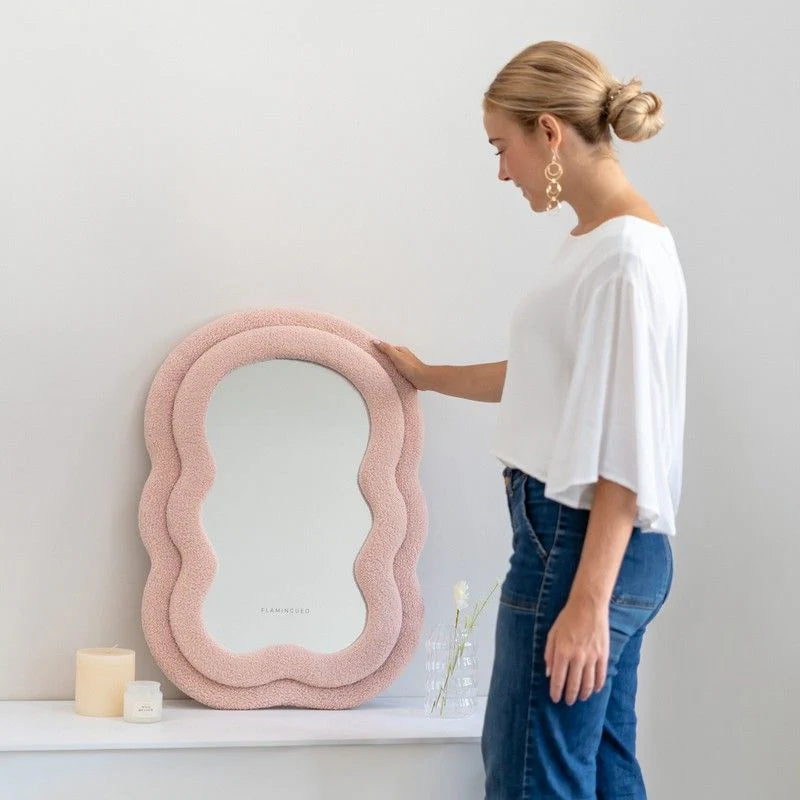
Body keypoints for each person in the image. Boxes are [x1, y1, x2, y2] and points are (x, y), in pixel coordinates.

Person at [373, 39, 687, 800]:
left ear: (548, 131)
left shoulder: (622, 257)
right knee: (601, 774)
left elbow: (628, 440)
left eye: (500, 147)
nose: (502, 172)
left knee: (531, 779)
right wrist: (426, 376)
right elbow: (557, 383)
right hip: (600, 547)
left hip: (578, 545)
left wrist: (587, 600)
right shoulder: (611, 245)